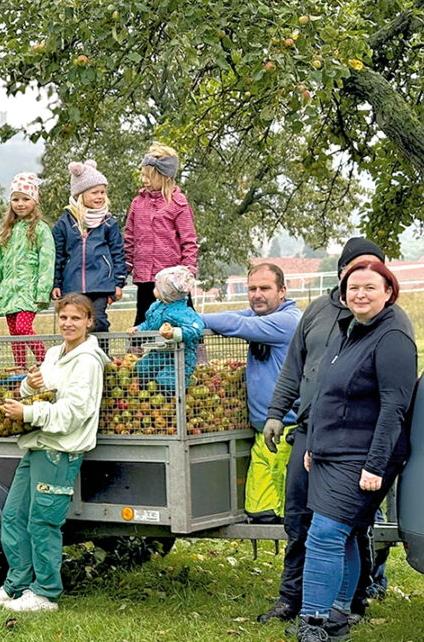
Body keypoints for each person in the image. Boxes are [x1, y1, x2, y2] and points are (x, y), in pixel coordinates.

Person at [257, 238, 413, 626]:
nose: (362, 283)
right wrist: (278, 412)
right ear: (343, 274)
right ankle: (292, 597)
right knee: (299, 519)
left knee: (345, 526)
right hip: (313, 433)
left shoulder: (390, 324)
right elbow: (295, 367)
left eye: (372, 274)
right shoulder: (319, 313)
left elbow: (393, 401)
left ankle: (349, 603)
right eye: (355, 275)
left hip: (358, 442)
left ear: (386, 283)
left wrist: (376, 460)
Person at [296, 260, 416, 641]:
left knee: (325, 533)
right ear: (344, 294)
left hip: (364, 457)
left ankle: (311, 625)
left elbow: (394, 407)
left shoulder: (393, 337)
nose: (360, 294)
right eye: (353, 288)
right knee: (343, 535)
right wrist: (315, 444)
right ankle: (336, 619)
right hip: (333, 453)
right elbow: (325, 393)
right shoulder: (349, 331)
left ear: (388, 291)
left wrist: (376, 466)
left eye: (369, 287)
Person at [0, 293, 109, 613]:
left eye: (76, 318)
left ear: (89, 322)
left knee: (43, 522)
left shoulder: (88, 361)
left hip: (60, 451)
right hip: (37, 446)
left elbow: (74, 412)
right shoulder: (53, 353)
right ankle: (18, 585)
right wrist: (29, 384)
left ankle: (46, 593)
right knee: (13, 516)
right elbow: (40, 393)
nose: (69, 323)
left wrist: (27, 414)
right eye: (64, 317)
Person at [202, 263, 301, 523]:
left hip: (286, 431)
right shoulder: (261, 317)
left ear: (282, 291)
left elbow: (234, 323)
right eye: (252, 289)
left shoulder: (287, 322)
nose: (257, 294)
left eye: (265, 288)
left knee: (280, 515)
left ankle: (306, 561)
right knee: (260, 512)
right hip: (265, 432)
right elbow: (233, 315)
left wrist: (192, 320)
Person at [124, 142, 199, 325]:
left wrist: (187, 273)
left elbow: (189, 241)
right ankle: (138, 353)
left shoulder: (178, 203)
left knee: (185, 319)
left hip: (172, 280)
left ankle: (195, 353)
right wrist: (123, 270)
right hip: (144, 277)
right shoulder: (137, 203)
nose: (144, 180)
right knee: (144, 319)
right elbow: (129, 239)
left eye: (148, 176)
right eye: (142, 175)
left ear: (163, 177)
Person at [0, 171, 55, 368]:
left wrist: (43, 290)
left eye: (26, 199)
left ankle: (46, 363)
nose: (20, 203)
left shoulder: (41, 229)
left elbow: (47, 262)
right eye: (16, 199)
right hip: (9, 291)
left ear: (35, 200)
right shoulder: (6, 231)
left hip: (28, 291)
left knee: (24, 327)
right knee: (15, 334)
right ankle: (20, 371)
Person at [51, 159, 127, 335]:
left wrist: (118, 282)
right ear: (80, 195)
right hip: (72, 285)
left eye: (102, 192)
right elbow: (58, 255)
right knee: (76, 323)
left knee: (98, 320)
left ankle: (101, 357)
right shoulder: (65, 223)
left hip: (101, 284)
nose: (99, 196)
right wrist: (56, 283)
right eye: (94, 193)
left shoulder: (108, 222)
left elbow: (118, 253)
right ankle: (78, 358)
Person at [126, 266, 205, 395]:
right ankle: (150, 394)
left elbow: (195, 328)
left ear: (169, 293)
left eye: (158, 288)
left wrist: (175, 332)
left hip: (180, 357)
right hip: (159, 353)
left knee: (166, 380)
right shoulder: (156, 307)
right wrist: (138, 328)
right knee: (142, 368)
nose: (154, 290)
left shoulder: (183, 311)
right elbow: (149, 323)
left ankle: (180, 391)